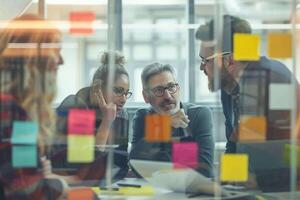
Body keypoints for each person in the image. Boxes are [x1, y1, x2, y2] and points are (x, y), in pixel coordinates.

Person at [195, 15, 299, 153]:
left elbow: (278, 154)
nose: (201, 68)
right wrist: (227, 174)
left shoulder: (271, 81)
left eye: (205, 60)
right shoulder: (229, 86)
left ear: (229, 61)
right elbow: (234, 145)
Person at [0, 14, 68, 199]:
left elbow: (24, 175)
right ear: (33, 58)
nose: (61, 60)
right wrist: (58, 184)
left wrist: (37, 172)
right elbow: (28, 192)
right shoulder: (8, 107)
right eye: (56, 50)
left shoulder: (17, 106)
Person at [54, 51, 132, 182]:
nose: (123, 99)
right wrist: (107, 122)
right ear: (97, 88)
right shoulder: (77, 106)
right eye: (118, 91)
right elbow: (84, 168)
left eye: (126, 93)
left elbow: (120, 166)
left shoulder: (120, 113)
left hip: (102, 184)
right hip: (65, 182)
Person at [130, 62, 214, 178]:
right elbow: (136, 167)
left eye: (171, 87)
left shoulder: (199, 115)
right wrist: (165, 127)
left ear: (178, 88)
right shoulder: (143, 117)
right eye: (159, 90)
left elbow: (204, 172)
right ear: (146, 96)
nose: (168, 96)